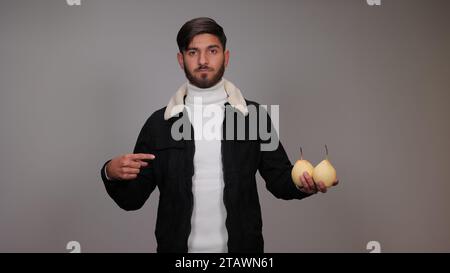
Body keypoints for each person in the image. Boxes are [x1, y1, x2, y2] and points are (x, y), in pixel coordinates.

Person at [100, 17, 339, 253]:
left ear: (226, 57)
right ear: (180, 59)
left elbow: (280, 181)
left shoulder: (254, 117)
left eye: (212, 50)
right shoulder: (158, 124)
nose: (203, 60)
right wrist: (110, 172)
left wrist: (304, 184)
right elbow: (132, 200)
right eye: (193, 52)